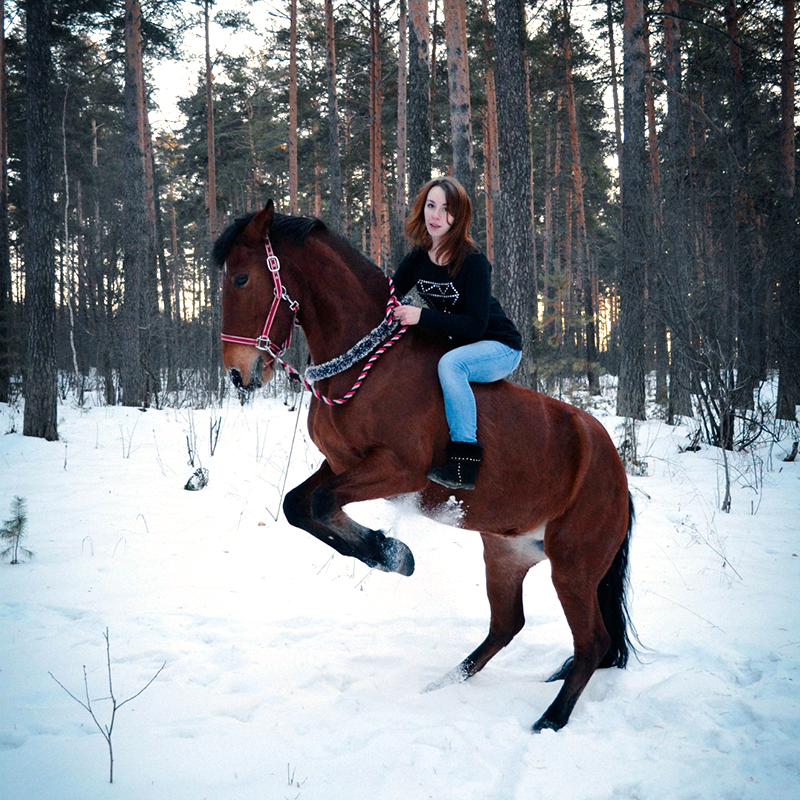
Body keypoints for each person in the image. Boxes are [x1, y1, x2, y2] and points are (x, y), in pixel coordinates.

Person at [392, 176, 523, 490]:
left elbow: (474, 326)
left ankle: (465, 463)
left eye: (446, 210)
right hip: (458, 343)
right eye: (431, 206)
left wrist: (420, 316)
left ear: (459, 216)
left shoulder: (473, 262)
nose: (436, 216)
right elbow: (389, 297)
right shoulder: (418, 258)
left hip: (498, 347)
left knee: (451, 366)